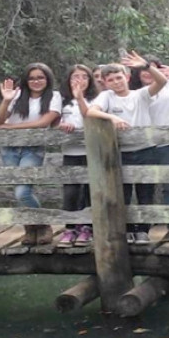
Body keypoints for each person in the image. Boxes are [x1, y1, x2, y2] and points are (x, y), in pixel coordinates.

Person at [86, 59, 167, 244]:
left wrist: (146, 66)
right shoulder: (107, 96)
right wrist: (112, 117)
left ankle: (143, 231)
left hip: (146, 149)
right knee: (123, 193)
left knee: (145, 192)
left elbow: (162, 81)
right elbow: (91, 112)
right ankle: (128, 230)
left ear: (127, 77)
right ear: (105, 83)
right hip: (120, 152)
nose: (116, 82)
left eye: (119, 77)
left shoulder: (140, 95)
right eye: (111, 79)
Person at [0, 63, 62, 246]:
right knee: (19, 191)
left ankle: (42, 225)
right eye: (32, 78)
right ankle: (31, 230)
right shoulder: (17, 96)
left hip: (33, 148)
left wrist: (11, 127)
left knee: (22, 192)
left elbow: (43, 123)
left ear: (47, 79)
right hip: (9, 148)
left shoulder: (54, 97)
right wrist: (6, 100)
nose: (36, 81)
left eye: (40, 77)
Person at [121, 52, 169, 241]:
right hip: (151, 144)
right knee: (154, 187)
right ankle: (148, 226)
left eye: (152, 68)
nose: (148, 72)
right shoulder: (136, 93)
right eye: (142, 70)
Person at [56, 65, 97, 248]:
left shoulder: (97, 99)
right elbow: (52, 119)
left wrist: (80, 97)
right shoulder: (61, 100)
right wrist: (60, 124)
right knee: (71, 192)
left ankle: (88, 227)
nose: (79, 80)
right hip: (70, 152)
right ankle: (70, 227)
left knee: (90, 191)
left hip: (92, 153)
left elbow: (90, 118)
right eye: (75, 77)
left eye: (84, 77)